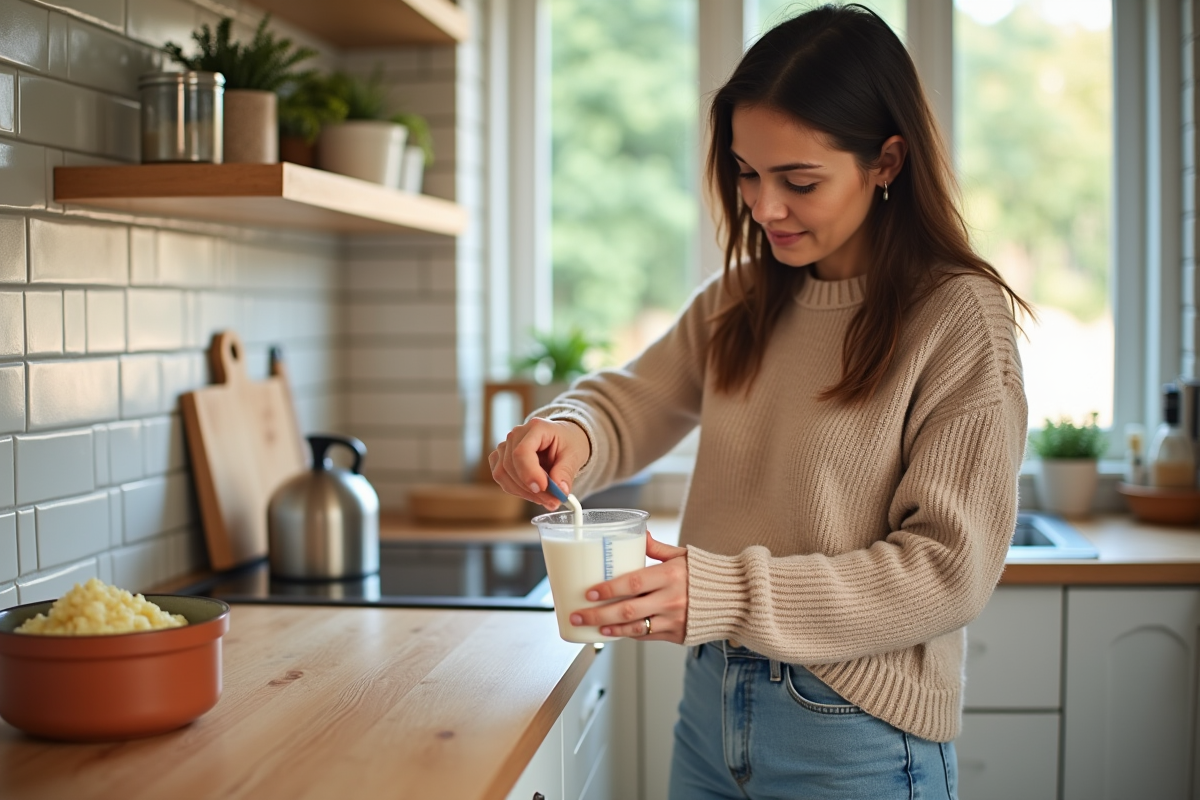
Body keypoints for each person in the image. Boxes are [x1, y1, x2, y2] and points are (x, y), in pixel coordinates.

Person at [488, 4, 1030, 798]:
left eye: (798, 180)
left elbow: (948, 570)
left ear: (886, 161)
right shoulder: (741, 298)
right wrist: (567, 428)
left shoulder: (955, 315)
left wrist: (725, 591)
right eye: (746, 171)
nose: (763, 207)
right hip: (711, 707)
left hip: (854, 732)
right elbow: (632, 400)